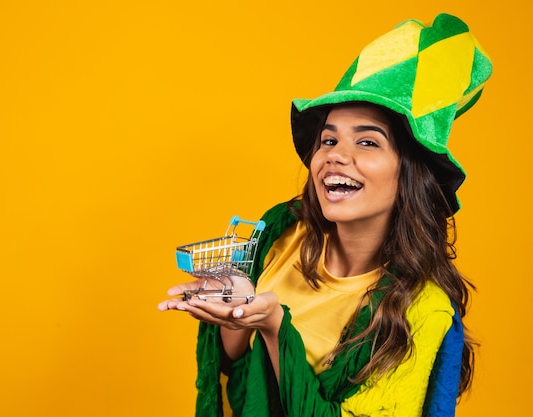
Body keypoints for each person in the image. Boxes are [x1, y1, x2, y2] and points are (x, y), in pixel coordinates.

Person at [159, 13, 492, 417]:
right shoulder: (282, 232)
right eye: (328, 139)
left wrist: (275, 327)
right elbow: (236, 378)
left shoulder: (422, 310)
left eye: (368, 142)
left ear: (410, 175)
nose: (335, 154)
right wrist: (235, 318)